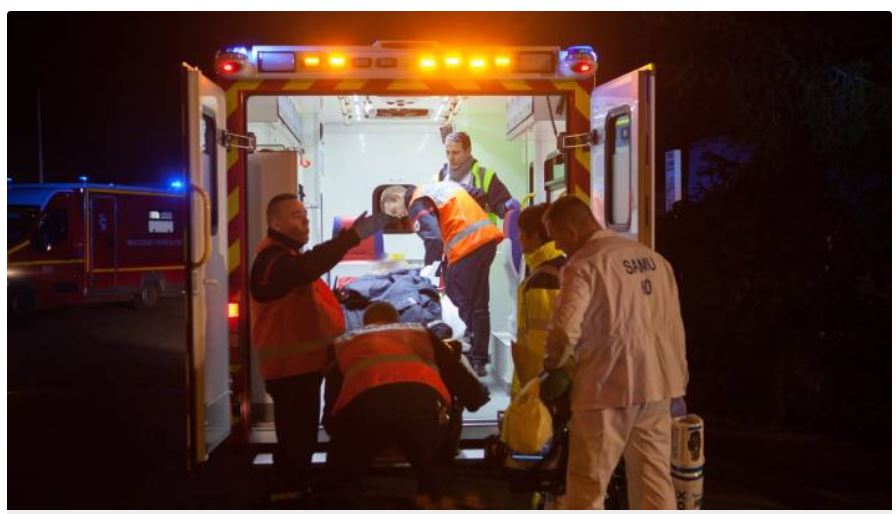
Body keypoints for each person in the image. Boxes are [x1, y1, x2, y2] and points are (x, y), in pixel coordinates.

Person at [541, 195, 689, 509]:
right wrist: (679, 377)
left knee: (587, 484)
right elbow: (673, 322)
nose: (560, 249)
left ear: (571, 230)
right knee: (654, 479)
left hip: (606, 387)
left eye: (558, 240)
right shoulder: (654, 260)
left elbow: (564, 331)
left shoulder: (583, 266)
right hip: (658, 384)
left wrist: (551, 365)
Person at [249, 193, 389, 504]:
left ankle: (292, 484)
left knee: (300, 434)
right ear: (275, 222)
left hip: (304, 365)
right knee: (297, 435)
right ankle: (289, 491)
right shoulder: (272, 261)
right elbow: (307, 270)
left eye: (305, 215)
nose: (304, 220)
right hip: (290, 368)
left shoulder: (287, 257)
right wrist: (352, 237)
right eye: (295, 216)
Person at [321, 301, 489, 508]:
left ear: (365, 324)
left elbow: (333, 397)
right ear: (396, 320)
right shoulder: (417, 333)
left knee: (341, 480)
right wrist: (476, 398)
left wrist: (335, 429)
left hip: (364, 412)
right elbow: (454, 371)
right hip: (421, 409)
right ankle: (435, 495)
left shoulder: (347, 342)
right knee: (434, 471)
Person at [380, 182, 504, 377]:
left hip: (466, 247)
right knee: (479, 305)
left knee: (456, 306)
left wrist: (429, 272)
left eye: (395, 211)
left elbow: (434, 240)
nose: (400, 216)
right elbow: (477, 193)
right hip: (486, 240)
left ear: (397, 197)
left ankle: (457, 364)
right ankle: (478, 360)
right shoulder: (434, 188)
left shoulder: (416, 203)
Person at [438, 131, 523, 272]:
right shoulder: (441, 177)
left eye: (455, 152)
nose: (450, 157)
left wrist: (509, 208)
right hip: (450, 246)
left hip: (479, 245)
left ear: (468, 151)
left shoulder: (485, 176)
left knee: (475, 290)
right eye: (447, 152)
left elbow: (501, 204)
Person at [511, 203, 568, 397]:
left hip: (544, 384)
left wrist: (530, 392)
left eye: (520, 233)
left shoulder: (542, 281)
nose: (518, 238)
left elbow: (538, 344)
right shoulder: (563, 267)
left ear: (535, 236)